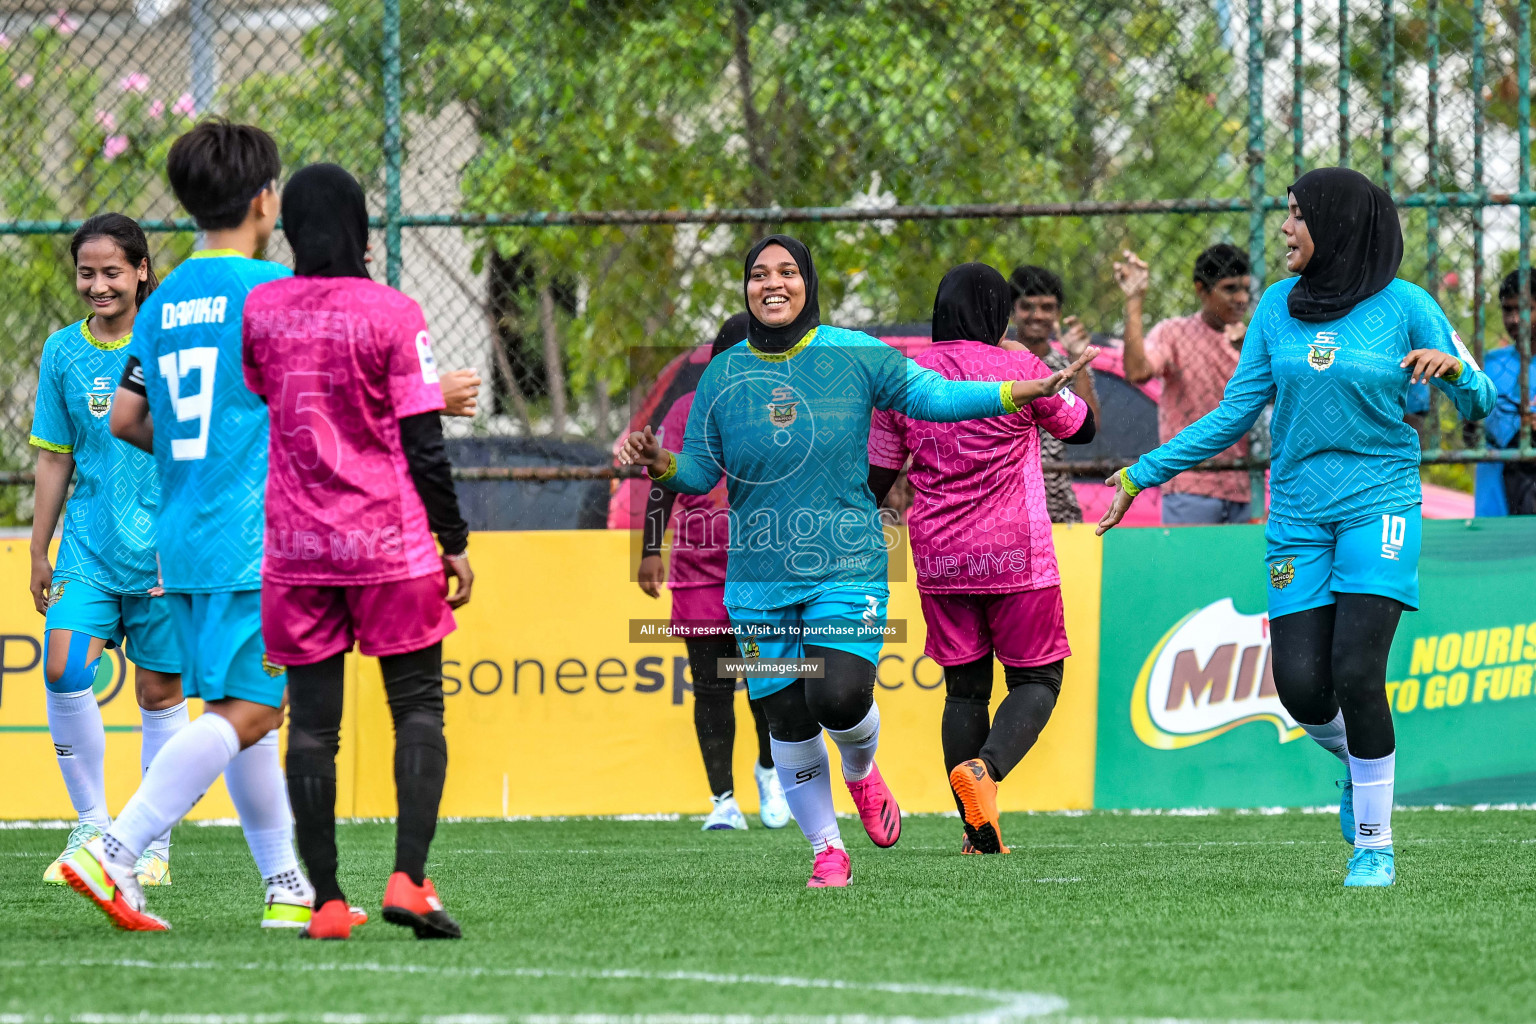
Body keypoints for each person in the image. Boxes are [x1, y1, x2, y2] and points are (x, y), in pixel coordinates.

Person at [619, 235, 1095, 888]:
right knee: (785, 718)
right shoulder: (724, 377)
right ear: (746, 288)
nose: (773, 283)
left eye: (787, 271)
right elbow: (699, 472)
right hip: (756, 581)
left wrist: (1018, 391)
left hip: (845, 562)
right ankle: (827, 849)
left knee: (838, 697)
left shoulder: (855, 355)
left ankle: (861, 771)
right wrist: (660, 463)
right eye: (759, 274)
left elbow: (937, 399)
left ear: (809, 282)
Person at [1098, 168, 1496, 888]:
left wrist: (1455, 374)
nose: (1284, 229)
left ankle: (1374, 845)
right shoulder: (1278, 309)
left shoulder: (1408, 306)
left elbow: (1482, 400)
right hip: (1299, 515)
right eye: (1285, 214)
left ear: (1338, 225)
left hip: (1380, 505)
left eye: (1296, 216)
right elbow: (1229, 416)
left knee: (1356, 672)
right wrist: (1139, 474)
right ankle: (1356, 764)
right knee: (1301, 688)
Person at [59, 120, 332, 932]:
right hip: (255, 538)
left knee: (237, 711)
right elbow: (310, 419)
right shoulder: (274, 294)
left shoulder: (167, 297)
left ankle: (288, 887)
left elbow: (129, 417)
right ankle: (115, 847)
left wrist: (194, 451)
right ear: (265, 199)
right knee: (253, 712)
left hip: (180, 537)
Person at [242, 163, 474, 941]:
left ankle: (329, 902)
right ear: (362, 227)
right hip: (391, 544)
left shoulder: (261, 310)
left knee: (310, 726)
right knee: (416, 707)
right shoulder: (394, 312)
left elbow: (266, 395)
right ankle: (409, 878)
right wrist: (455, 542)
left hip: (298, 550)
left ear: (288, 226)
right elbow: (423, 440)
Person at [867, 264, 1095, 855]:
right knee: (1038, 677)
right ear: (999, 312)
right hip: (1016, 556)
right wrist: (1028, 360)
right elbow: (1083, 428)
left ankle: (977, 832)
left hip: (941, 559)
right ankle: (986, 772)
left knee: (964, 692)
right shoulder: (1021, 367)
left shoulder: (905, 378)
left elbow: (876, 477)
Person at [30, 214, 186, 889]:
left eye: (112, 272)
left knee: (158, 692)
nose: (98, 284)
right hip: (88, 542)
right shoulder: (61, 353)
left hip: (160, 549)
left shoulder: (167, 344)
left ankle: (150, 841)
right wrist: (39, 549)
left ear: (142, 271)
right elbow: (52, 459)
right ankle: (92, 824)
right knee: (63, 667)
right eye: (87, 273)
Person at [638, 312, 791, 832]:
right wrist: (650, 548)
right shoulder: (686, 411)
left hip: (762, 573)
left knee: (766, 684)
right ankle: (722, 800)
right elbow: (663, 480)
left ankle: (770, 773)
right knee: (711, 687)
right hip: (700, 574)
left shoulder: (779, 409)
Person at [1118, 244, 1256, 524]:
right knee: (1189, 567)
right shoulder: (1174, 334)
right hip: (1189, 484)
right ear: (1201, 290)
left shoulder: (1255, 339)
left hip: (1246, 486)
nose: (1241, 298)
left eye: (1245, 288)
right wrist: (1134, 300)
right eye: (1230, 289)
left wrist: (1248, 352)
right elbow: (1137, 371)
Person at [1006, 265, 1102, 524]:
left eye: (1047, 307)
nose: (1037, 316)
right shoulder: (996, 364)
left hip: (1055, 505)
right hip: (1003, 500)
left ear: (1058, 313)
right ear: (1012, 311)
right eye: (1027, 306)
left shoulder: (1068, 365)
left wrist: (1077, 360)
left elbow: (1092, 423)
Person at [1473, 270, 1536, 515]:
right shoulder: (1488, 365)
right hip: (1495, 502)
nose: (1514, 320)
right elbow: (1470, 436)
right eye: (1507, 310)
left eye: (1524, 309)